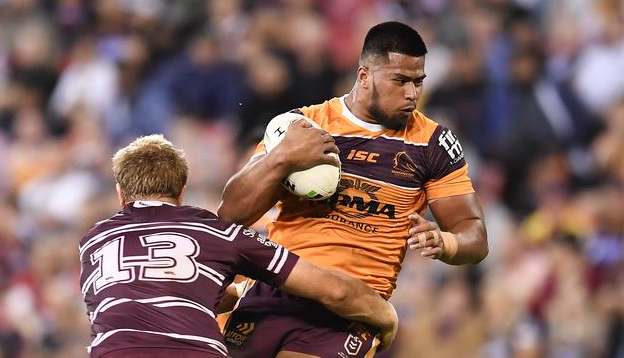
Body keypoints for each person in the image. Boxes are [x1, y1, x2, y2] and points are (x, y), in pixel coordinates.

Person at [218, 21, 489, 357]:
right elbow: (229, 215)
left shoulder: (432, 144)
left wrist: (446, 242)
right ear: (364, 77)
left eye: (418, 82)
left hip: (351, 309)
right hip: (276, 291)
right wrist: (282, 157)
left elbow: (474, 235)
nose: (412, 94)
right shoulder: (305, 124)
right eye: (400, 80)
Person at [79, 134, 398, 358]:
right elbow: (333, 290)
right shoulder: (217, 233)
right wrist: (385, 316)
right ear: (181, 193)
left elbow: (147, 296)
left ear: (121, 193)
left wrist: (234, 295)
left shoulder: (93, 242)